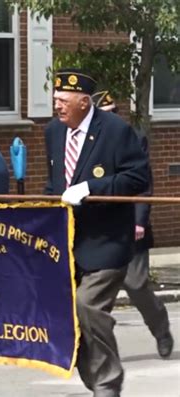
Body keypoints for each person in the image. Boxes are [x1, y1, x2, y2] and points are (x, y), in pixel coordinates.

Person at [44, 69, 150, 397]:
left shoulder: (116, 131)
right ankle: (95, 380)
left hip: (107, 241)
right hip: (69, 241)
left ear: (84, 102)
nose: (57, 106)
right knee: (71, 317)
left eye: (63, 101)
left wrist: (91, 188)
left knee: (88, 305)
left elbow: (138, 178)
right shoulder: (54, 132)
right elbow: (54, 184)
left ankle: (107, 384)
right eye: (55, 100)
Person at [92, 90, 174, 359]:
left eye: (114, 112)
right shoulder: (85, 142)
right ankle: (99, 350)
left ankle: (161, 329)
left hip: (129, 225)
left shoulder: (131, 138)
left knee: (137, 285)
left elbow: (142, 183)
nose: (111, 117)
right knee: (92, 295)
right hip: (99, 229)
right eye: (106, 113)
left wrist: (140, 220)